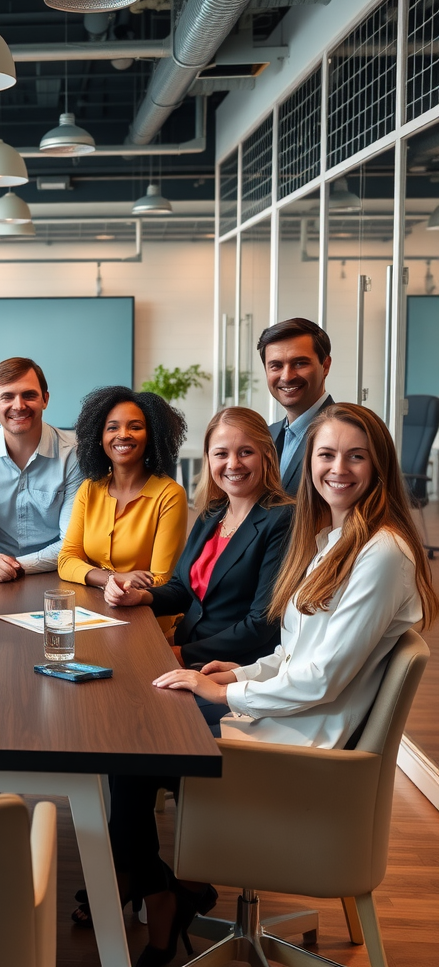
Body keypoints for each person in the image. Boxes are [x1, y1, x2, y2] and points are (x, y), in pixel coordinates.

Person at [110, 403, 436, 967]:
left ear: (379, 466)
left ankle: (164, 895)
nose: (338, 468)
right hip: (283, 718)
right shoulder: (338, 539)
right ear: (308, 462)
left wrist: (226, 693)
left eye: (356, 457)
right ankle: (165, 891)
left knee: (128, 753)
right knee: (130, 745)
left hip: (301, 751)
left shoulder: (382, 553)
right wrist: (238, 672)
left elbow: (323, 678)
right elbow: (292, 652)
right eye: (327, 455)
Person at [105, 406, 293, 701]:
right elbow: (182, 587)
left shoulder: (281, 519)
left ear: (267, 455)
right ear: (208, 459)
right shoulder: (213, 513)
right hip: (188, 652)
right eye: (221, 454)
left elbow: (261, 624)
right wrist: (142, 597)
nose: (233, 464)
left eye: (245, 452)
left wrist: (181, 653)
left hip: (232, 666)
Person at [57, 385, 188, 634]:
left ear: (151, 436)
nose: (123, 435)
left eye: (135, 427)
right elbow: (66, 560)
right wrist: (114, 578)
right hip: (94, 614)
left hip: (146, 622)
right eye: (112, 427)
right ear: (100, 436)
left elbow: (160, 580)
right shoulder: (89, 489)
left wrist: (99, 576)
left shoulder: (169, 495)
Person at [0, 357, 83, 581]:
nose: (19, 405)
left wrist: (10, 566)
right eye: (7, 396)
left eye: (29, 395)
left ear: (45, 399)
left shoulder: (73, 456)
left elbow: (70, 542)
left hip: (58, 574)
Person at [257, 317, 334, 495]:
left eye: (299, 363)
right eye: (276, 366)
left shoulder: (349, 434)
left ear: (325, 366)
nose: (287, 376)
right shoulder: (266, 436)